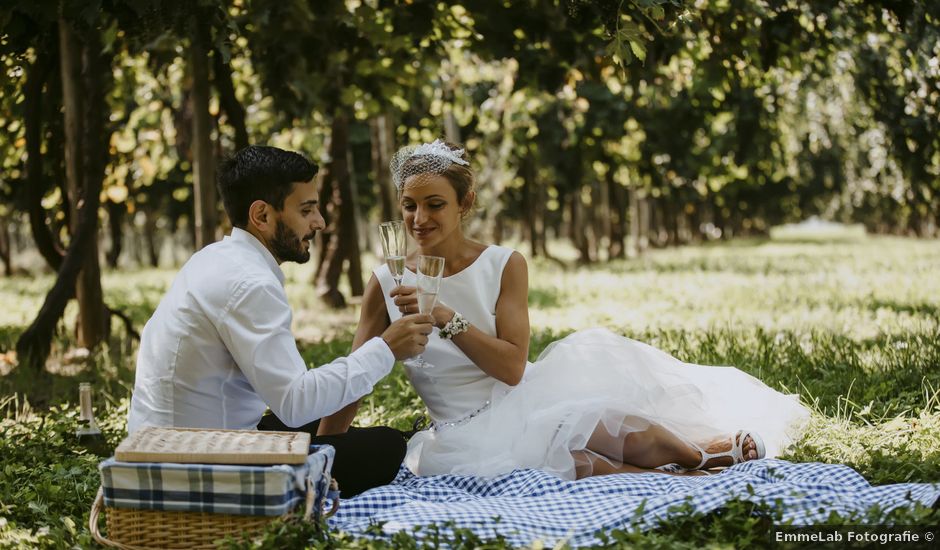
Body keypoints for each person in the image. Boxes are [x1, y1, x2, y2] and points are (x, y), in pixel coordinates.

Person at [324, 139, 810, 480]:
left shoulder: (503, 264)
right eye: (409, 206)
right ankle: (679, 480)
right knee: (573, 464)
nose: (419, 219)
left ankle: (702, 453)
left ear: (465, 203)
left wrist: (444, 316)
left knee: (609, 425)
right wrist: (324, 454)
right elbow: (355, 378)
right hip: (460, 433)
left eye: (434, 204)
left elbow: (513, 369)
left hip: (524, 398)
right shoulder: (386, 281)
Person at [127, 145, 434, 496]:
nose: (319, 222)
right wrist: (385, 348)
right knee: (385, 446)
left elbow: (290, 397)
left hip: (161, 442)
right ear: (262, 216)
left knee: (324, 420)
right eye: (306, 210)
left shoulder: (215, 257)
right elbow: (294, 401)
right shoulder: (250, 284)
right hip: (196, 466)